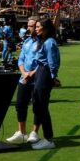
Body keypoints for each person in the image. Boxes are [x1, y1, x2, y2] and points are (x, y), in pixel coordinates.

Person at [6, 16, 39, 145]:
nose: (28, 28)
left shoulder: (43, 42)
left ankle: (34, 132)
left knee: (38, 106)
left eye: (31, 26)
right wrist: (24, 73)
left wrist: (31, 73)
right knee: (20, 105)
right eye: (28, 25)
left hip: (37, 79)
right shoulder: (27, 42)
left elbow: (43, 62)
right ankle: (22, 132)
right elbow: (21, 60)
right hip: (24, 78)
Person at [29, 18, 61, 150]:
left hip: (44, 72)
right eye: (35, 26)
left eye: (38, 27)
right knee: (38, 104)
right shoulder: (43, 41)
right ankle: (44, 136)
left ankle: (49, 138)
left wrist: (53, 78)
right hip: (40, 72)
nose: (35, 29)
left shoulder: (49, 42)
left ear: (45, 28)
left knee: (42, 105)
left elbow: (52, 62)